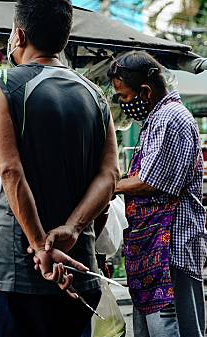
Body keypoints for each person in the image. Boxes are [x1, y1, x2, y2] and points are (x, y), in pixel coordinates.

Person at [0, 0, 119, 336]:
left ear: (19, 34)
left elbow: (10, 171)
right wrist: (72, 228)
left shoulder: (1, 84)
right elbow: (110, 176)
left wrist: (41, 246)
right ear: (65, 40)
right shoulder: (96, 96)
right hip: (79, 265)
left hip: (16, 269)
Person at [110, 51, 206, 337]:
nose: (124, 104)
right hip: (153, 248)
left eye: (125, 97)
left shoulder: (170, 118)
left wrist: (107, 185)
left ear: (145, 91)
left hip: (170, 248)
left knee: (172, 327)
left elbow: (151, 181)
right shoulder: (156, 119)